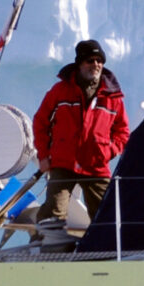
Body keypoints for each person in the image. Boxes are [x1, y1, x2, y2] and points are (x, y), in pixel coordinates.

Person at [32, 38, 130, 227]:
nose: (96, 65)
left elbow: (122, 132)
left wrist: (108, 151)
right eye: (90, 60)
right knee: (52, 214)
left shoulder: (113, 97)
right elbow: (40, 122)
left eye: (99, 61)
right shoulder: (60, 91)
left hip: (96, 164)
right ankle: (46, 251)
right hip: (63, 162)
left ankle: (105, 254)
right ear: (80, 64)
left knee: (106, 217)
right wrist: (44, 155)